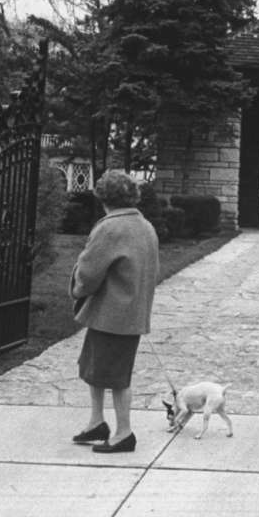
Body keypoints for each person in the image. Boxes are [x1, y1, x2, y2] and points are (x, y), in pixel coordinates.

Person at [70, 170, 160, 454]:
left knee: (117, 377)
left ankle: (124, 433)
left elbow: (88, 271)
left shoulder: (109, 228)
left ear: (103, 197)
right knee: (95, 369)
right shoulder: (145, 226)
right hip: (129, 311)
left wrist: (77, 288)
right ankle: (97, 422)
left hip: (113, 314)